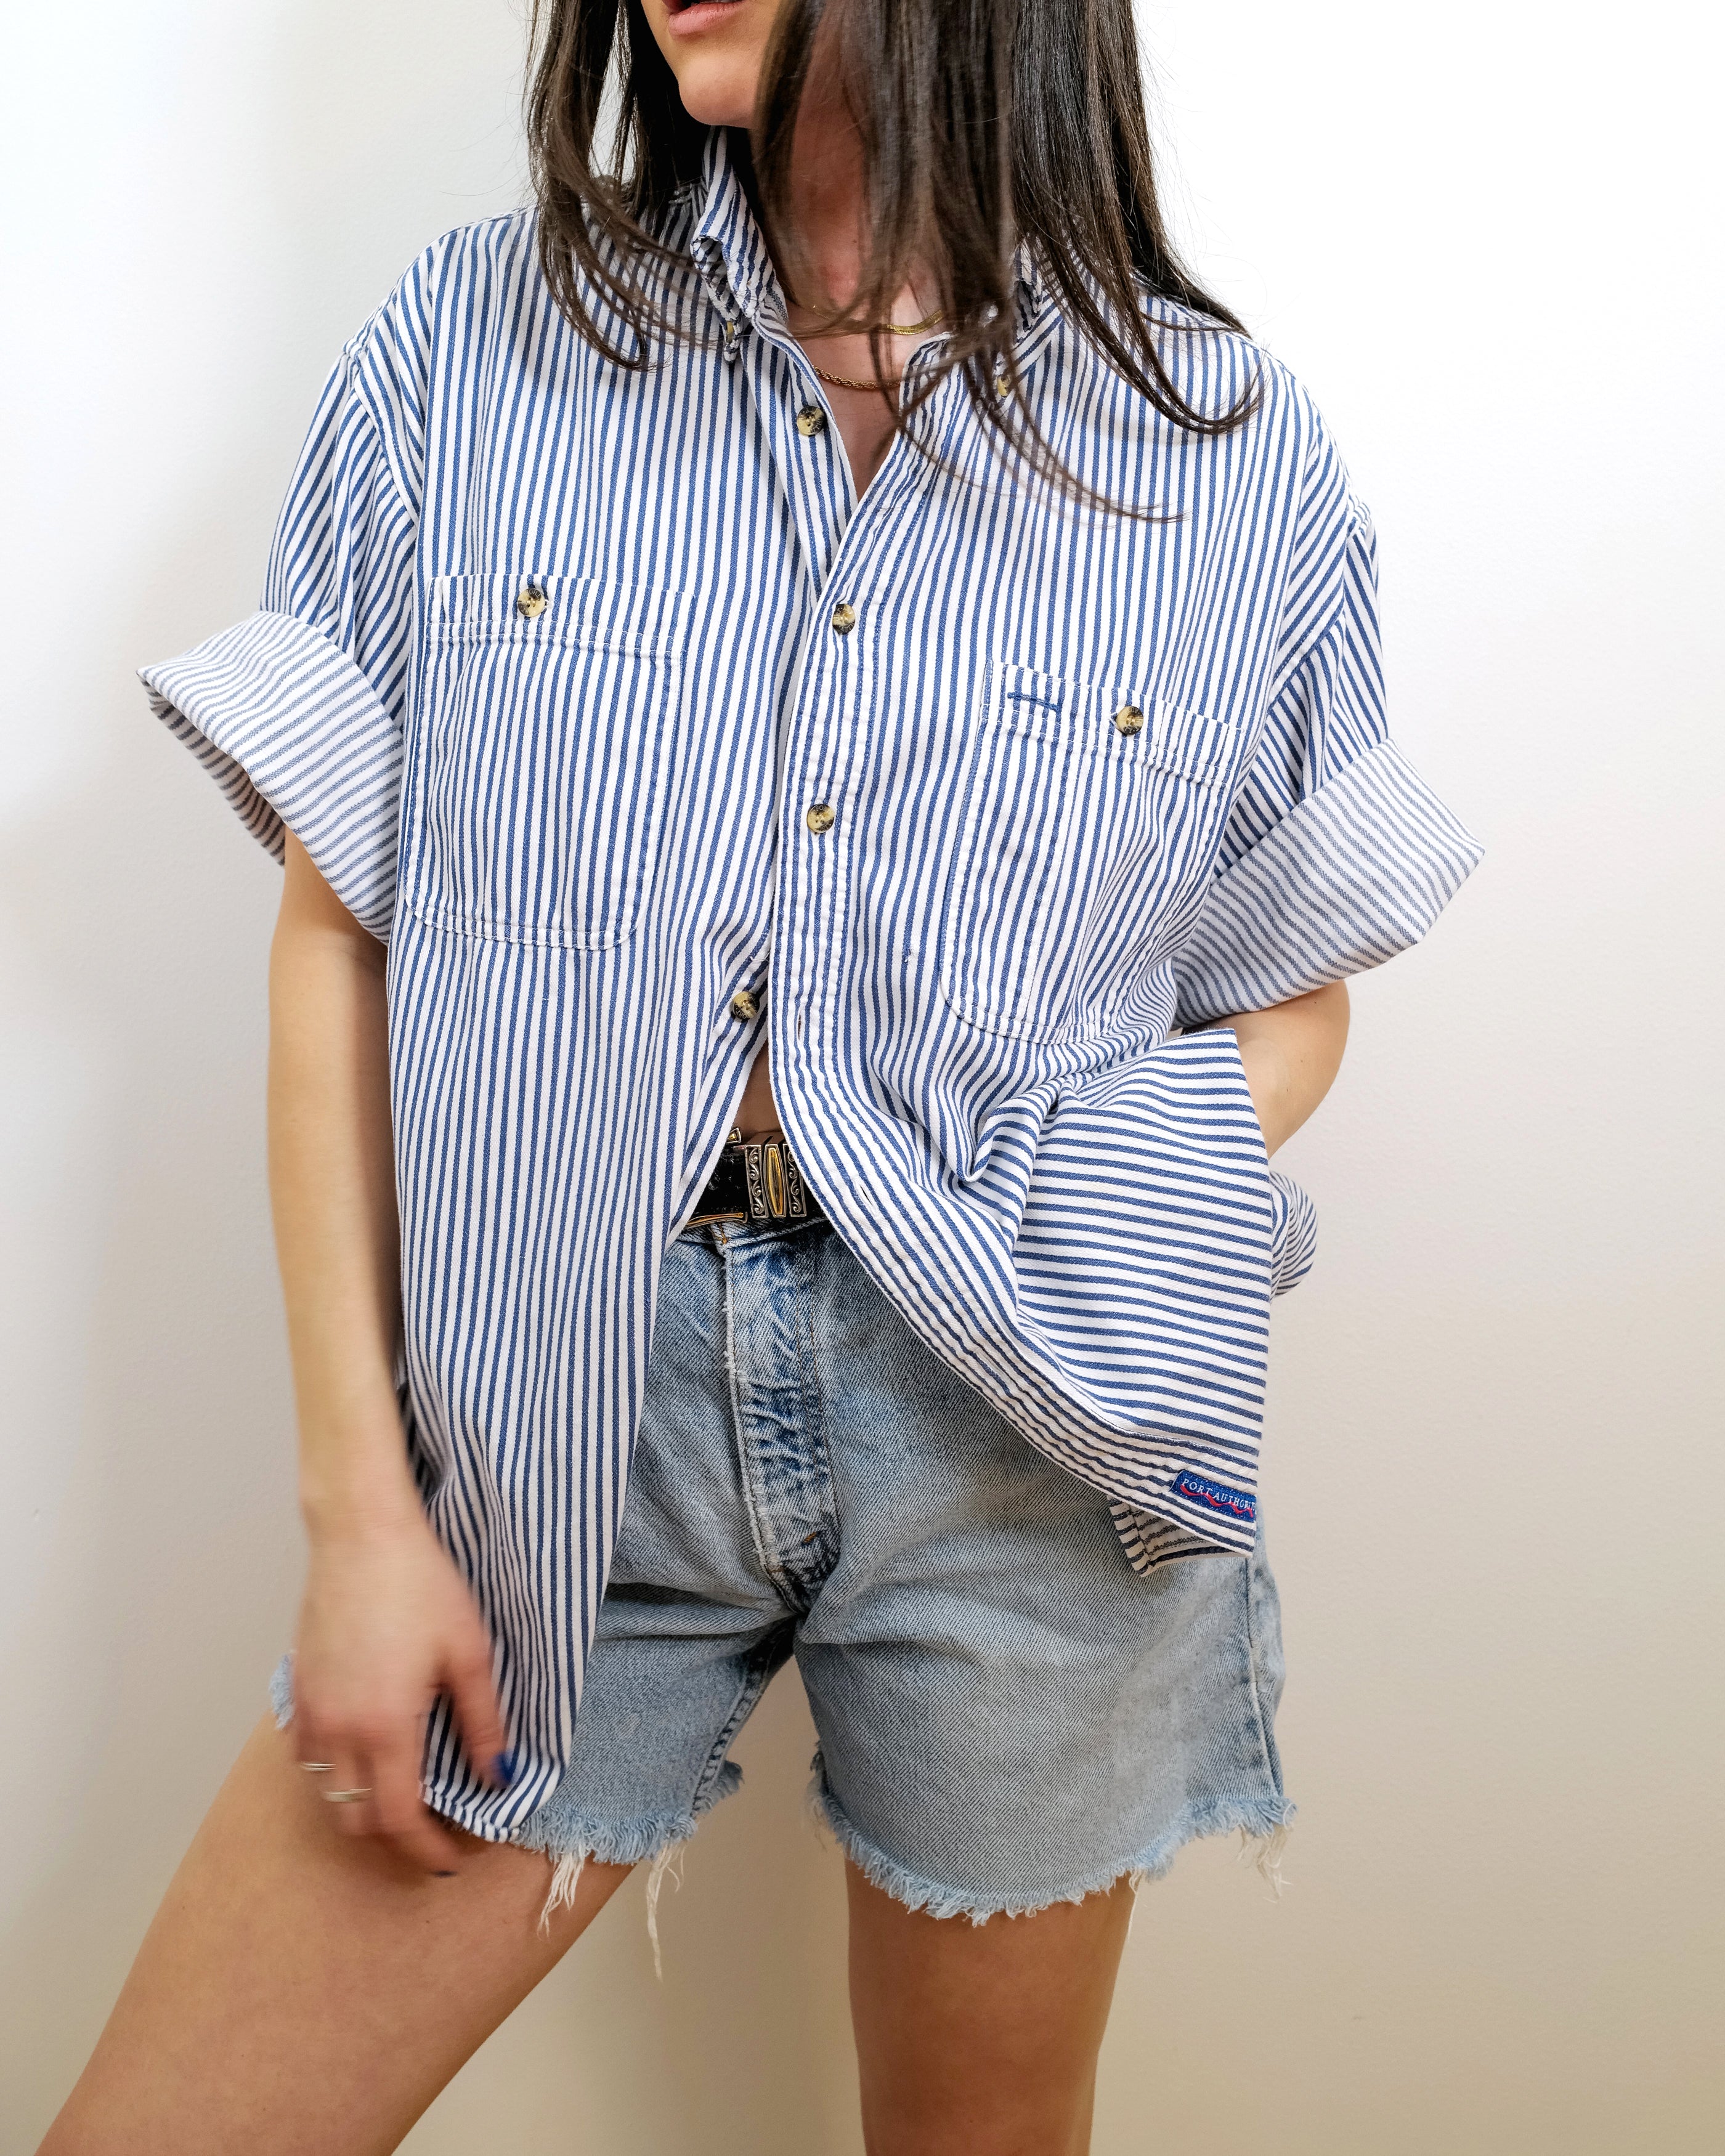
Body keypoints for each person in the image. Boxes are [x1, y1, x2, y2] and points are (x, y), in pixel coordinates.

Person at [43, 1, 1480, 2149]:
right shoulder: (475, 350)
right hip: (567, 1416)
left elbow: (1298, 981)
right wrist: (360, 1512)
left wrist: (1089, 1192)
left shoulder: (1226, 450)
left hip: (1021, 1438)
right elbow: (340, 931)